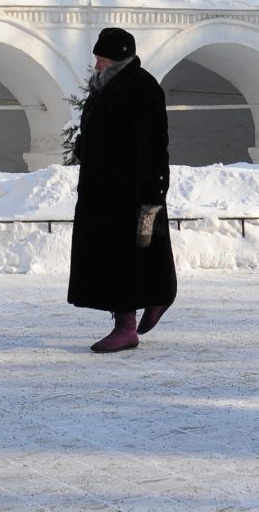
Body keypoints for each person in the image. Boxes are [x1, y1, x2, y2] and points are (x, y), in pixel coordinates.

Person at [67, 27, 177, 352]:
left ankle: (127, 327)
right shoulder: (103, 88)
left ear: (118, 59)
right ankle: (155, 298)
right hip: (100, 192)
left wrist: (153, 196)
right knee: (111, 257)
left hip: (129, 192)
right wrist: (83, 148)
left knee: (124, 259)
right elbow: (97, 131)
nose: (97, 65)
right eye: (97, 59)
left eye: (102, 59)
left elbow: (155, 146)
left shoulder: (143, 89)